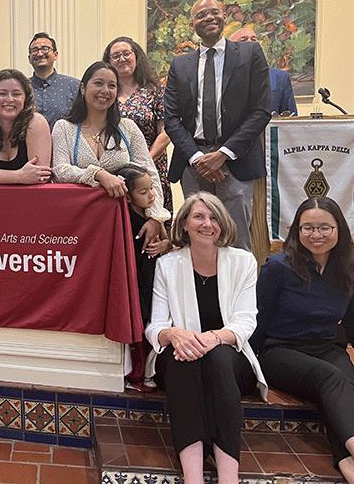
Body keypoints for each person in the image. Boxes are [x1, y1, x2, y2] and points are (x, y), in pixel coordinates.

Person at [145, 192, 267, 484]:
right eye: (199, 217)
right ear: (185, 224)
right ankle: (193, 477)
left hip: (229, 359)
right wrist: (173, 334)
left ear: (223, 224)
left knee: (220, 358)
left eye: (214, 218)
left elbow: (245, 321)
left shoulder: (243, 262)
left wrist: (212, 338)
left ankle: (228, 477)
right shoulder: (167, 265)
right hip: (180, 357)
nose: (207, 224)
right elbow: (155, 327)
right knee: (182, 360)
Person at [254, 196, 354, 482]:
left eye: (325, 227)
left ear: (339, 229)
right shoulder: (278, 267)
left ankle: (346, 462)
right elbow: (258, 320)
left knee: (347, 382)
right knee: (331, 379)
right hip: (280, 351)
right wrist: (246, 367)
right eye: (307, 228)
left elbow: (351, 322)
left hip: (327, 347)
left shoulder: (347, 267)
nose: (316, 235)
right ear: (297, 230)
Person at [164, 0, 272, 251]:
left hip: (237, 162)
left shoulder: (249, 54)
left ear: (224, 16)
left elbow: (261, 110)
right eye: (201, 15)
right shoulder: (180, 65)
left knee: (236, 242)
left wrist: (222, 154)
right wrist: (198, 158)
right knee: (197, 241)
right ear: (192, 24)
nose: (209, 18)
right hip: (193, 165)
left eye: (214, 12)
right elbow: (171, 118)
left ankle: (237, 292)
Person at [52, 61, 170, 232]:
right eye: (98, 83)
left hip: (128, 224)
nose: (105, 91)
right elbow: (60, 171)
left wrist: (154, 218)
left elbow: (150, 173)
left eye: (112, 85)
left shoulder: (128, 127)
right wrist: (98, 174)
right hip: (78, 225)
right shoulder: (63, 127)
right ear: (83, 88)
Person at [103, 36, 173, 217]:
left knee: (153, 223)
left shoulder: (155, 90)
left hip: (151, 170)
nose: (122, 59)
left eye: (126, 53)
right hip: (115, 172)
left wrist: (143, 163)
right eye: (115, 56)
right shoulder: (105, 93)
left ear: (136, 56)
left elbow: (166, 132)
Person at [117, 163, 170, 393]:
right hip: (138, 279)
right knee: (141, 324)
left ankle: (153, 371)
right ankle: (139, 374)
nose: (151, 195)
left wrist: (164, 245)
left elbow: (168, 242)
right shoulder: (125, 218)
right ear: (128, 197)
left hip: (155, 277)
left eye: (151, 188)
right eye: (143, 191)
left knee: (156, 320)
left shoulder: (153, 215)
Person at [228, 28, 298, 116]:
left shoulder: (280, 77)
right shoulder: (224, 76)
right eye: (243, 40)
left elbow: (290, 119)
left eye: (254, 39)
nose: (250, 42)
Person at [27, 32, 80, 130]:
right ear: (29, 58)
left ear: (55, 55)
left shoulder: (74, 86)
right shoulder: (22, 88)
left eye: (45, 48)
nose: (40, 53)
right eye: (34, 50)